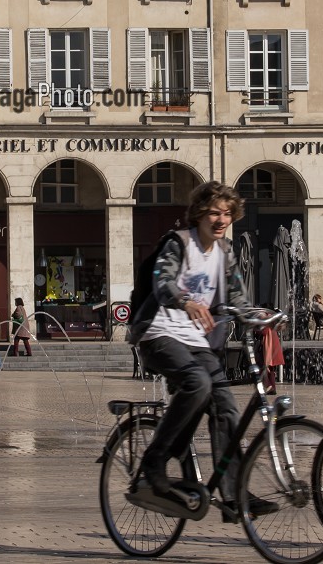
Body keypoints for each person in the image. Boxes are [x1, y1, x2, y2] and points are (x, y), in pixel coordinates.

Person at [126, 180, 276, 523]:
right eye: (214, 212)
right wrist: (186, 301)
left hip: (197, 341)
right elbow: (162, 283)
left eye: (227, 213)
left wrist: (264, 317)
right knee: (198, 383)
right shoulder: (179, 243)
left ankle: (236, 496)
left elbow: (237, 299)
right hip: (158, 332)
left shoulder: (224, 252)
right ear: (199, 214)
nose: (221, 219)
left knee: (226, 409)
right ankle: (156, 458)